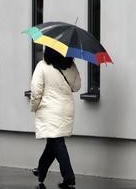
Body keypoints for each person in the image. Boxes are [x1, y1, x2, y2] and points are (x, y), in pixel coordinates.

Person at [30, 46, 81, 188]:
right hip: (66, 109)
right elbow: (77, 86)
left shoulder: (42, 66)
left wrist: (34, 107)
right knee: (54, 141)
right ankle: (41, 170)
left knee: (56, 142)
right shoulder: (71, 65)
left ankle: (69, 177)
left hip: (49, 110)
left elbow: (36, 90)